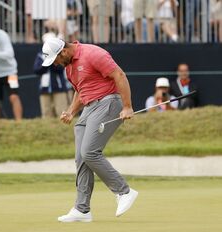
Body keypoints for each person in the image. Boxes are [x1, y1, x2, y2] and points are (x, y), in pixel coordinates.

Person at [41, 38, 138, 222]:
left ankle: (124, 191)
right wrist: (71, 111)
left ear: (63, 52)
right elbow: (82, 90)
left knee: (90, 152)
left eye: (56, 59)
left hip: (109, 102)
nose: (56, 64)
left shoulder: (93, 53)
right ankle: (82, 209)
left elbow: (119, 75)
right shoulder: (69, 67)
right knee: (81, 157)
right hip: (89, 108)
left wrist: (127, 106)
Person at [33, 33, 70, 118]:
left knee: (61, 111)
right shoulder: (40, 55)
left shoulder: (61, 55)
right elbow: (36, 70)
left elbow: (61, 68)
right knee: (46, 112)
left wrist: (52, 61)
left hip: (59, 86)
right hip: (44, 88)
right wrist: (47, 62)